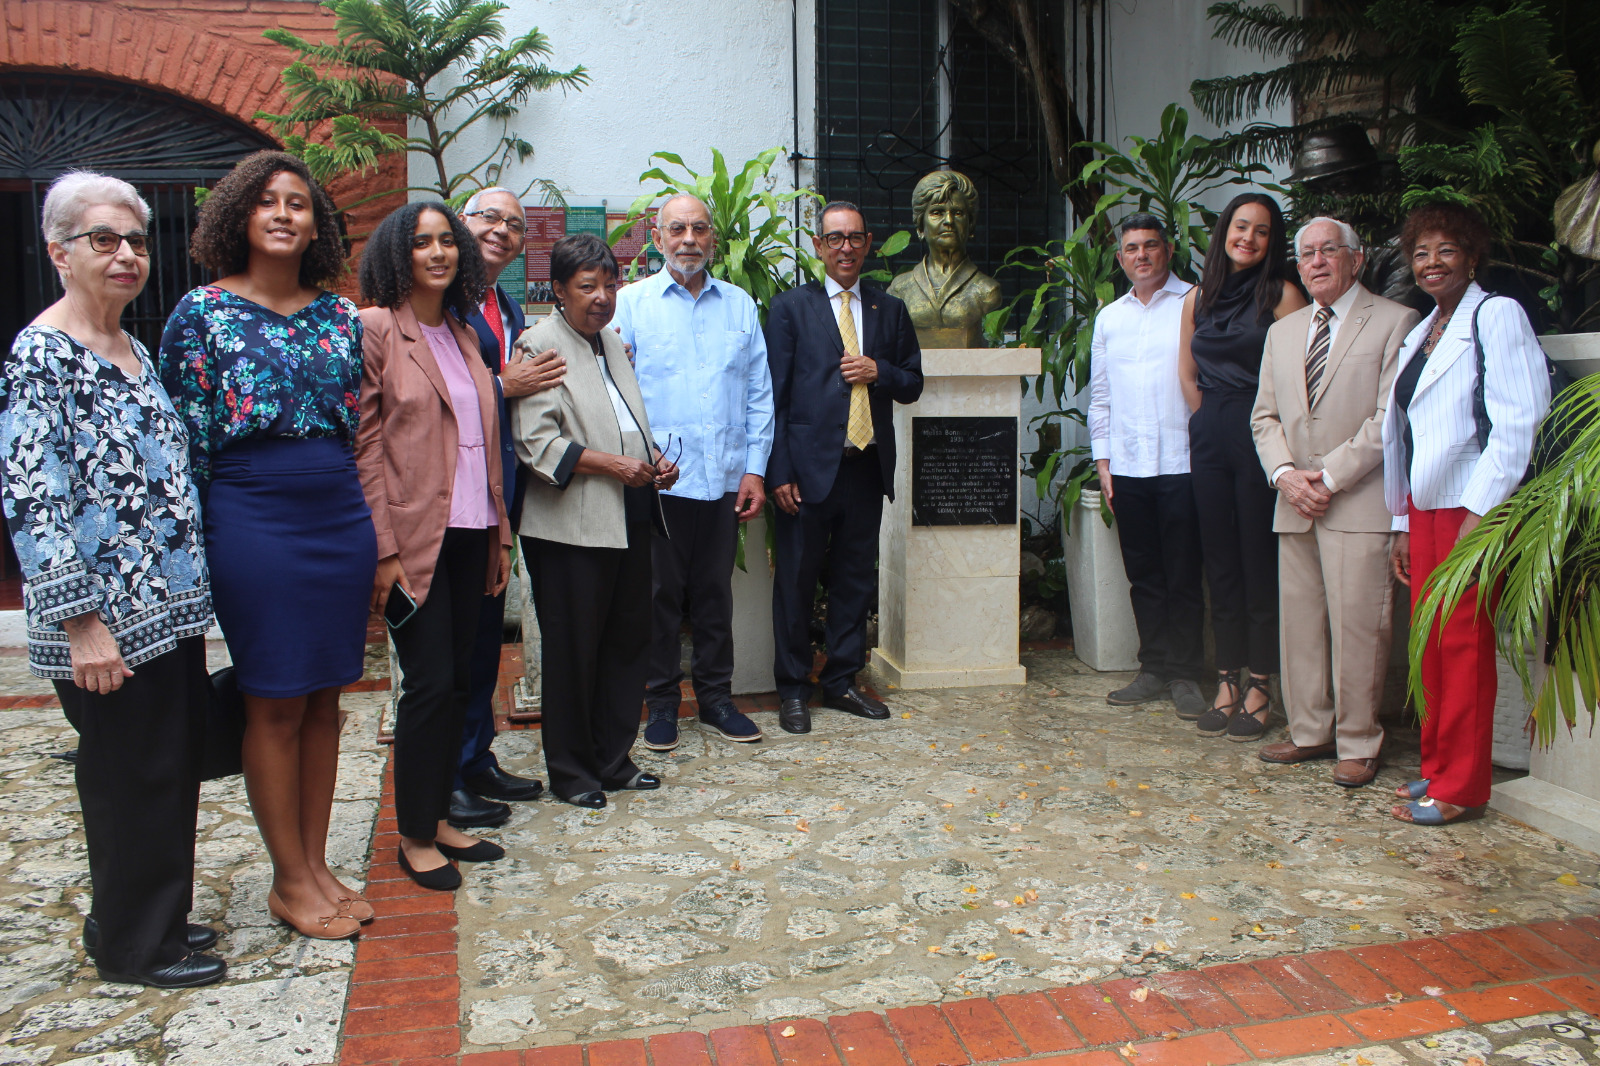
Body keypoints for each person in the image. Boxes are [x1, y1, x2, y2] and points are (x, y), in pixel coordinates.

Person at [2, 172, 225, 988]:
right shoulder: (42, 355)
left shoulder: (131, 348)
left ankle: (152, 914)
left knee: (167, 767)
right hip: (105, 624)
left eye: (136, 240)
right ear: (60, 252)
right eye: (104, 239)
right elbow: (34, 496)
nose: (127, 254)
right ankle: (136, 947)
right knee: (129, 777)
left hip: (166, 612)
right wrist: (80, 626)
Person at [159, 150, 369, 940]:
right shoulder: (202, 313)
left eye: (298, 203)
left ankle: (315, 864)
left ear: (317, 226)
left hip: (338, 511)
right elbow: (186, 443)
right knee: (275, 699)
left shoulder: (340, 316)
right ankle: (288, 880)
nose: (283, 213)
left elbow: (357, 426)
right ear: (239, 215)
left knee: (326, 700)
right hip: (252, 514)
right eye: (267, 201)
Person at [355, 202, 514, 890]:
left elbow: (484, 442)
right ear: (399, 253)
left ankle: (440, 816)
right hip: (414, 539)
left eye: (448, 240)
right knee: (427, 686)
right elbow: (364, 447)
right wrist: (383, 549)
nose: (439, 252)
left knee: (459, 683)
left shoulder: (464, 332)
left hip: (474, 532)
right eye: (422, 242)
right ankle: (414, 836)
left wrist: (500, 535)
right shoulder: (375, 329)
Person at [1383, 202, 1550, 824]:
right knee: (1430, 643)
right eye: (1421, 252)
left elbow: (1520, 419)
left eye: (1446, 250)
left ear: (1472, 257)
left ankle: (1462, 788)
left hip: (1472, 506)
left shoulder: (1496, 315)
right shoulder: (1424, 330)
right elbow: (1405, 436)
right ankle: (1437, 767)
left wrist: (1481, 513)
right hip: (1425, 507)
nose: (1432, 263)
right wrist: (1402, 522)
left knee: (1463, 645)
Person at [509, 234, 680, 808]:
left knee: (625, 643)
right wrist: (614, 466)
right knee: (574, 650)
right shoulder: (539, 344)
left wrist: (652, 461)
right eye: (588, 287)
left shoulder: (610, 340)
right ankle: (573, 772)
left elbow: (624, 420)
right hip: (570, 527)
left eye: (610, 284)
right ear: (559, 290)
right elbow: (537, 445)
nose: (602, 297)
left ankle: (613, 759)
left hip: (628, 512)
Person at [1250, 217, 1420, 787]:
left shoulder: (1396, 321)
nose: (1317, 261)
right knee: (1300, 626)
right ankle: (1309, 732)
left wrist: (1327, 478)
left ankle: (1359, 741)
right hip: (1294, 503)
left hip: (1358, 500)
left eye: (1329, 250)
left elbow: (1389, 419)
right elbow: (1264, 417)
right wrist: (1285, 477)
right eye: (1307, 254)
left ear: (1357, 258)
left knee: (1359, 629)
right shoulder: (1283, 331)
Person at [614, 193, 773, 752]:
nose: (688, 239)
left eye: (699, 229)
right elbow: (615, 390)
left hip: (723, 477)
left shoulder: (740, 306)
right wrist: (643, 453)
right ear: (657, 238)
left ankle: (716, 699)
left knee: (714, 595)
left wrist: (754, 471)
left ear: (713, 238)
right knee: (658, 596)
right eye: (677, 229)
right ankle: (661, 703)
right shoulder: (631, 304)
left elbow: (759, 395)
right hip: (660, 480)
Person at [765, 201, 924, 735]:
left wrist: (881, 371)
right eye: (835, 238)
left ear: (868, 242)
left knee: (854, 581)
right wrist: (778, 472)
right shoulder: (791, 308)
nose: (846, 248)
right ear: (818, 246)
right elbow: (773, 398)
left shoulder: (889, 309)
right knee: (796, 582)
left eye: (855, 237)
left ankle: (841, 681)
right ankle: (793, 689)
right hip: (805, 473)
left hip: (865, 467)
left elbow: (914, 382)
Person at [451, 187, 565, 830]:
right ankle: (445, 774)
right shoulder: (438, 302)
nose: (501, 230)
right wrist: (502, 384)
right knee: (450, 644)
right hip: (452, 497)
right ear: (460, 222)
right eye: (488, 217)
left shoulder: (508, 306)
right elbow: (430, 390)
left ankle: (475, 758)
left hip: (502, 495)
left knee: (485, 635)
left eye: (515, 224)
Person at [1179, 193, 1308, 741]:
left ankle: (1260, 686)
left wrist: (1262, 432)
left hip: (1262, 435)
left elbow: (1302, 379)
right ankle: (1226, 681)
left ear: (1272, 241)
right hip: (1211, 433)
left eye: (1261, 230)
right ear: (1224, 232)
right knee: (1220, 562)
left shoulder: (1283, 295)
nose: (1248, 238)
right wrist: (1208, 420)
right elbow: (1187, 372)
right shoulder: (1198, 296)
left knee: (1258, 561)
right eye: (1240, 226)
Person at [1088, 213, 1206, 720]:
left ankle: (1186, 673)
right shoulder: (1109, 318)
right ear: (1120, 258)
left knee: (1184, 573)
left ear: (1168, 250)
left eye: (1151, 245)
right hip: (1128, 467)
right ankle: (1154, 667)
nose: (1142, 255)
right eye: (1132, 248)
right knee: (1144, 575)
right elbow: (1101, 395)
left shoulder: (1193, 303)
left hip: (1183, 463)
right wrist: (1103, 461)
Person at [885, 169, 1003, 348]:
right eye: (937, 212)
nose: (949, 220)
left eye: (958, 213)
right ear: (920, 226)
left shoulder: (987, 290)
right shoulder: (900, 289)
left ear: (970, 224)